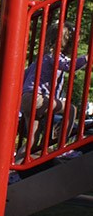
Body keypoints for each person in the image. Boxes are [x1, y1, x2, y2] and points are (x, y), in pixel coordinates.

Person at [20, 22, 87, 153]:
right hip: (38, 98)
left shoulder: (42, 58)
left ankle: (15, 170)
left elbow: (24, 76)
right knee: (71, 109)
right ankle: (61, 147)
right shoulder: (54, 56)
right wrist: (87, 57)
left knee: (32, 143)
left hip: (27, 98)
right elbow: (69, 66)